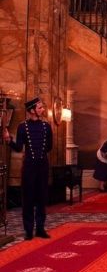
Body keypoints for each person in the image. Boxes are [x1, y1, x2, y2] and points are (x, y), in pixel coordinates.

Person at [2, 97, 53, 240]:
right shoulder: (22, 127)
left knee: (42, 198)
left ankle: (40, 228)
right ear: (32, 110)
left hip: (42, 165)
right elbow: (18, 147)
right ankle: (29, 230)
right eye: (40, 108)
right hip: (29, 166)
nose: (42, 110)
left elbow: (49, 147)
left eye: (42, 107)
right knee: (28, 198)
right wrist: (9, 140)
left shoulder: (46, 127)